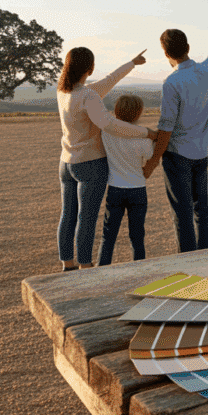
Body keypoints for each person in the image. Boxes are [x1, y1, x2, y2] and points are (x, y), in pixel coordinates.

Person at [56, 47, 160, 272]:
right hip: (90, 164)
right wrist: (146, 132)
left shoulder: (64, 91)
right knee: (87, 218)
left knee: (68, 215)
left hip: (66, 162)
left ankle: (68, 264)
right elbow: (109, 124)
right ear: (90, 68)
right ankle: (85, 264)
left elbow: (108, 81)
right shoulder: (88, 96)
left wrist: (131, 63)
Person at [143, 30, 208, 253]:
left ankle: (188, 261)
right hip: (201, 152)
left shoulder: (171, 82)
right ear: (187, 48)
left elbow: (166, 128)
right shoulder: (207, 70)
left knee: (182, 213)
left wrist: (152, 162)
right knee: (201, 210)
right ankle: (206, 255)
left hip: (177, 154)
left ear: (166, 53)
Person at [98, 94, 156, 266]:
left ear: (116, 110)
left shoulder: (106, 133)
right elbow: (150, 156)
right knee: (137, 236)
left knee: (108, 236)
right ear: (138, 113)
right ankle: (138, 270)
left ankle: (101, 271)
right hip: (138, 188)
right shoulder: (143, 138)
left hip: (115, 187)